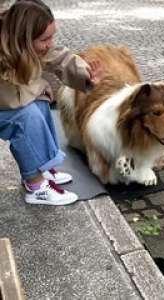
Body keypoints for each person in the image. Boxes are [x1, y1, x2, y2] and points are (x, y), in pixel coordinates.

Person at [0, 0, 103, 205]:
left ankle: (42, 167)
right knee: (25, 117)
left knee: (39, 102)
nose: (51, 43)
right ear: (23, 39)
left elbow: (60, 57)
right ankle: (36, 187)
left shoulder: (24, 38)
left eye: (52, 36)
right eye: (45, 39)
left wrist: (86, 76)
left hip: (8, 102)